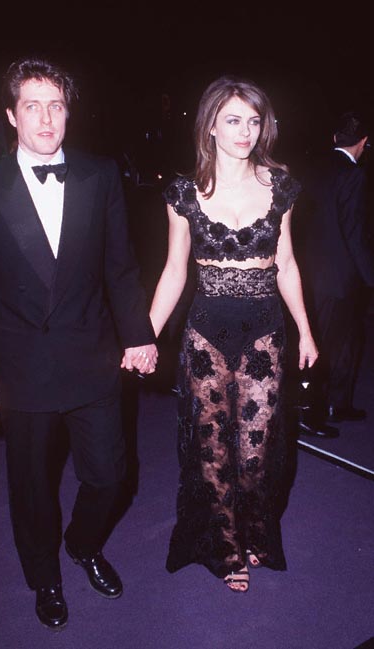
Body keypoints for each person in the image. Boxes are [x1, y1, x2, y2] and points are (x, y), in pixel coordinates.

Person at [0, 55, 158, 630]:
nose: (46, 119)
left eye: (56, 106)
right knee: (33, 488)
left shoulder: (100, 175)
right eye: (32, 107)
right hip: (21, 366)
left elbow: (121, 268)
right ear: (11, 115)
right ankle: (44, 576)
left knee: (111, 475)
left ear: (69, 112)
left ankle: (83, 543)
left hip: (93, 356)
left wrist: (138, 335)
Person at [149, 75, 318, 593]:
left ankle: (256, 529)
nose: (245, 131)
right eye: (233, 120)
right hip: (205, 332)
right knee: (213, 449)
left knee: (256, 451)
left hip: (264, 330)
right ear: (211, 126)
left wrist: (306, 330)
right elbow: (174, 271)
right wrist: (144, 335)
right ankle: (224, 547)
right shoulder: (183, 193)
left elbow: (286, 263)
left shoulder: (280, 186)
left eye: (253, 121)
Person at [294, 111, 374, 426]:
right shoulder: (354, 175)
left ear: (334, 138)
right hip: (341, 278)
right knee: (328, 346)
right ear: (364, 142)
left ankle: (338, 403)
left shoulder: (312, 167)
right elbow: (355, 233)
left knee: (346, 341)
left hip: (312, 272)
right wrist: (370, 278)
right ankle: (311, 414)